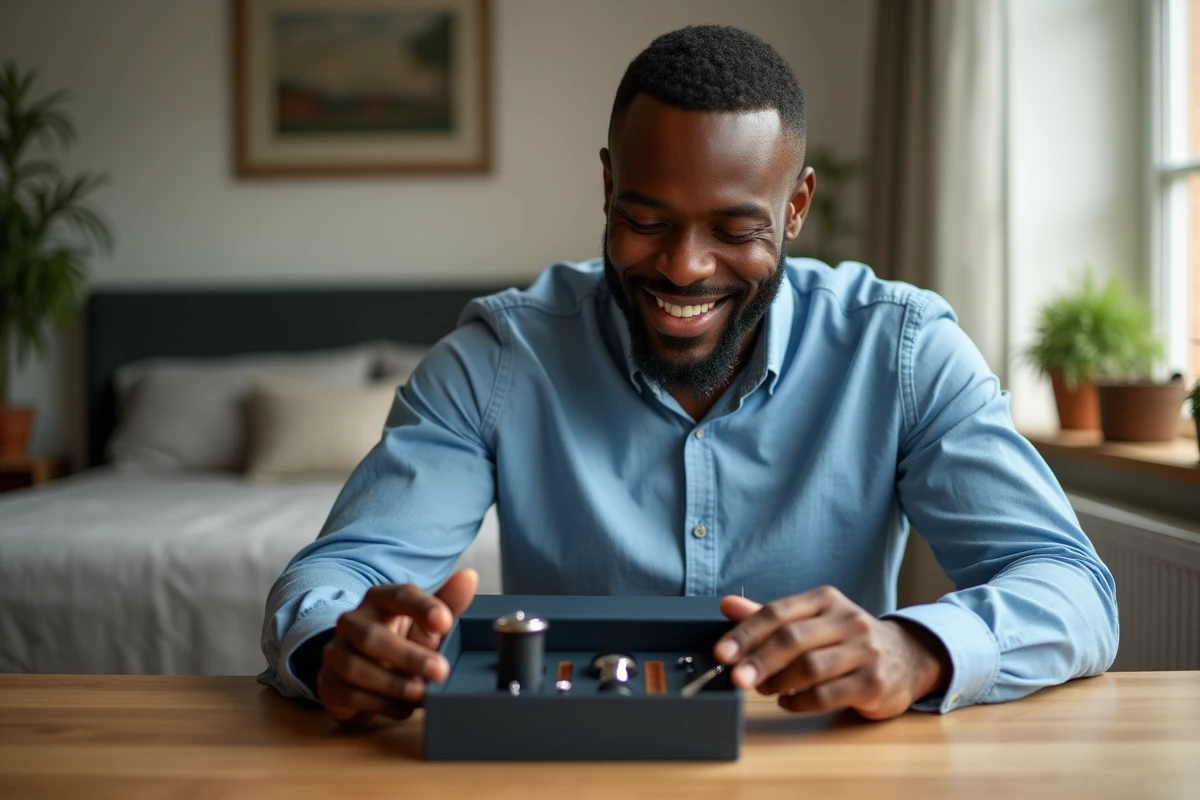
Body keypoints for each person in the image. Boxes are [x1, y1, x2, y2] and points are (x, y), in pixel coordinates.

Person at [259, 25, 1117, 726]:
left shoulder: (902, 349)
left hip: (824, 773)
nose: (684, 267)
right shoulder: (497, 361)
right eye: (645, 219)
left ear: (798, 206)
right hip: (573, 767)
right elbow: (334, 576)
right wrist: (340, 646)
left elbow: (1071, 586)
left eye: (735, 229)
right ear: (606, 186)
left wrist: (916, 649)